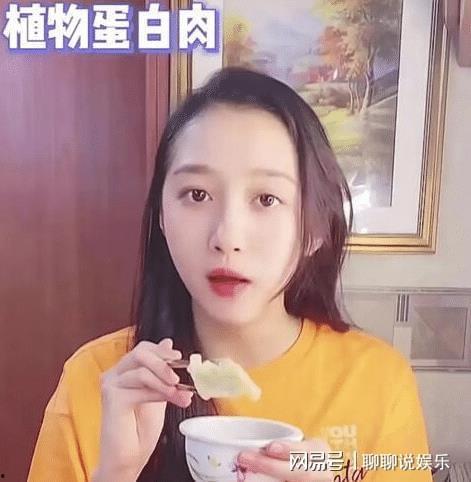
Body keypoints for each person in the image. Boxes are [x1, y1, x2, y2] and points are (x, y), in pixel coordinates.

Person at [27, 67, 432, 482]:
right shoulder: (97, 382)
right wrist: (115, 472)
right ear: (162, 216)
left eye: (266, 198)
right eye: (197, 194)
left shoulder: (377, 381)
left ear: (315, 228)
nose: (227, 238)